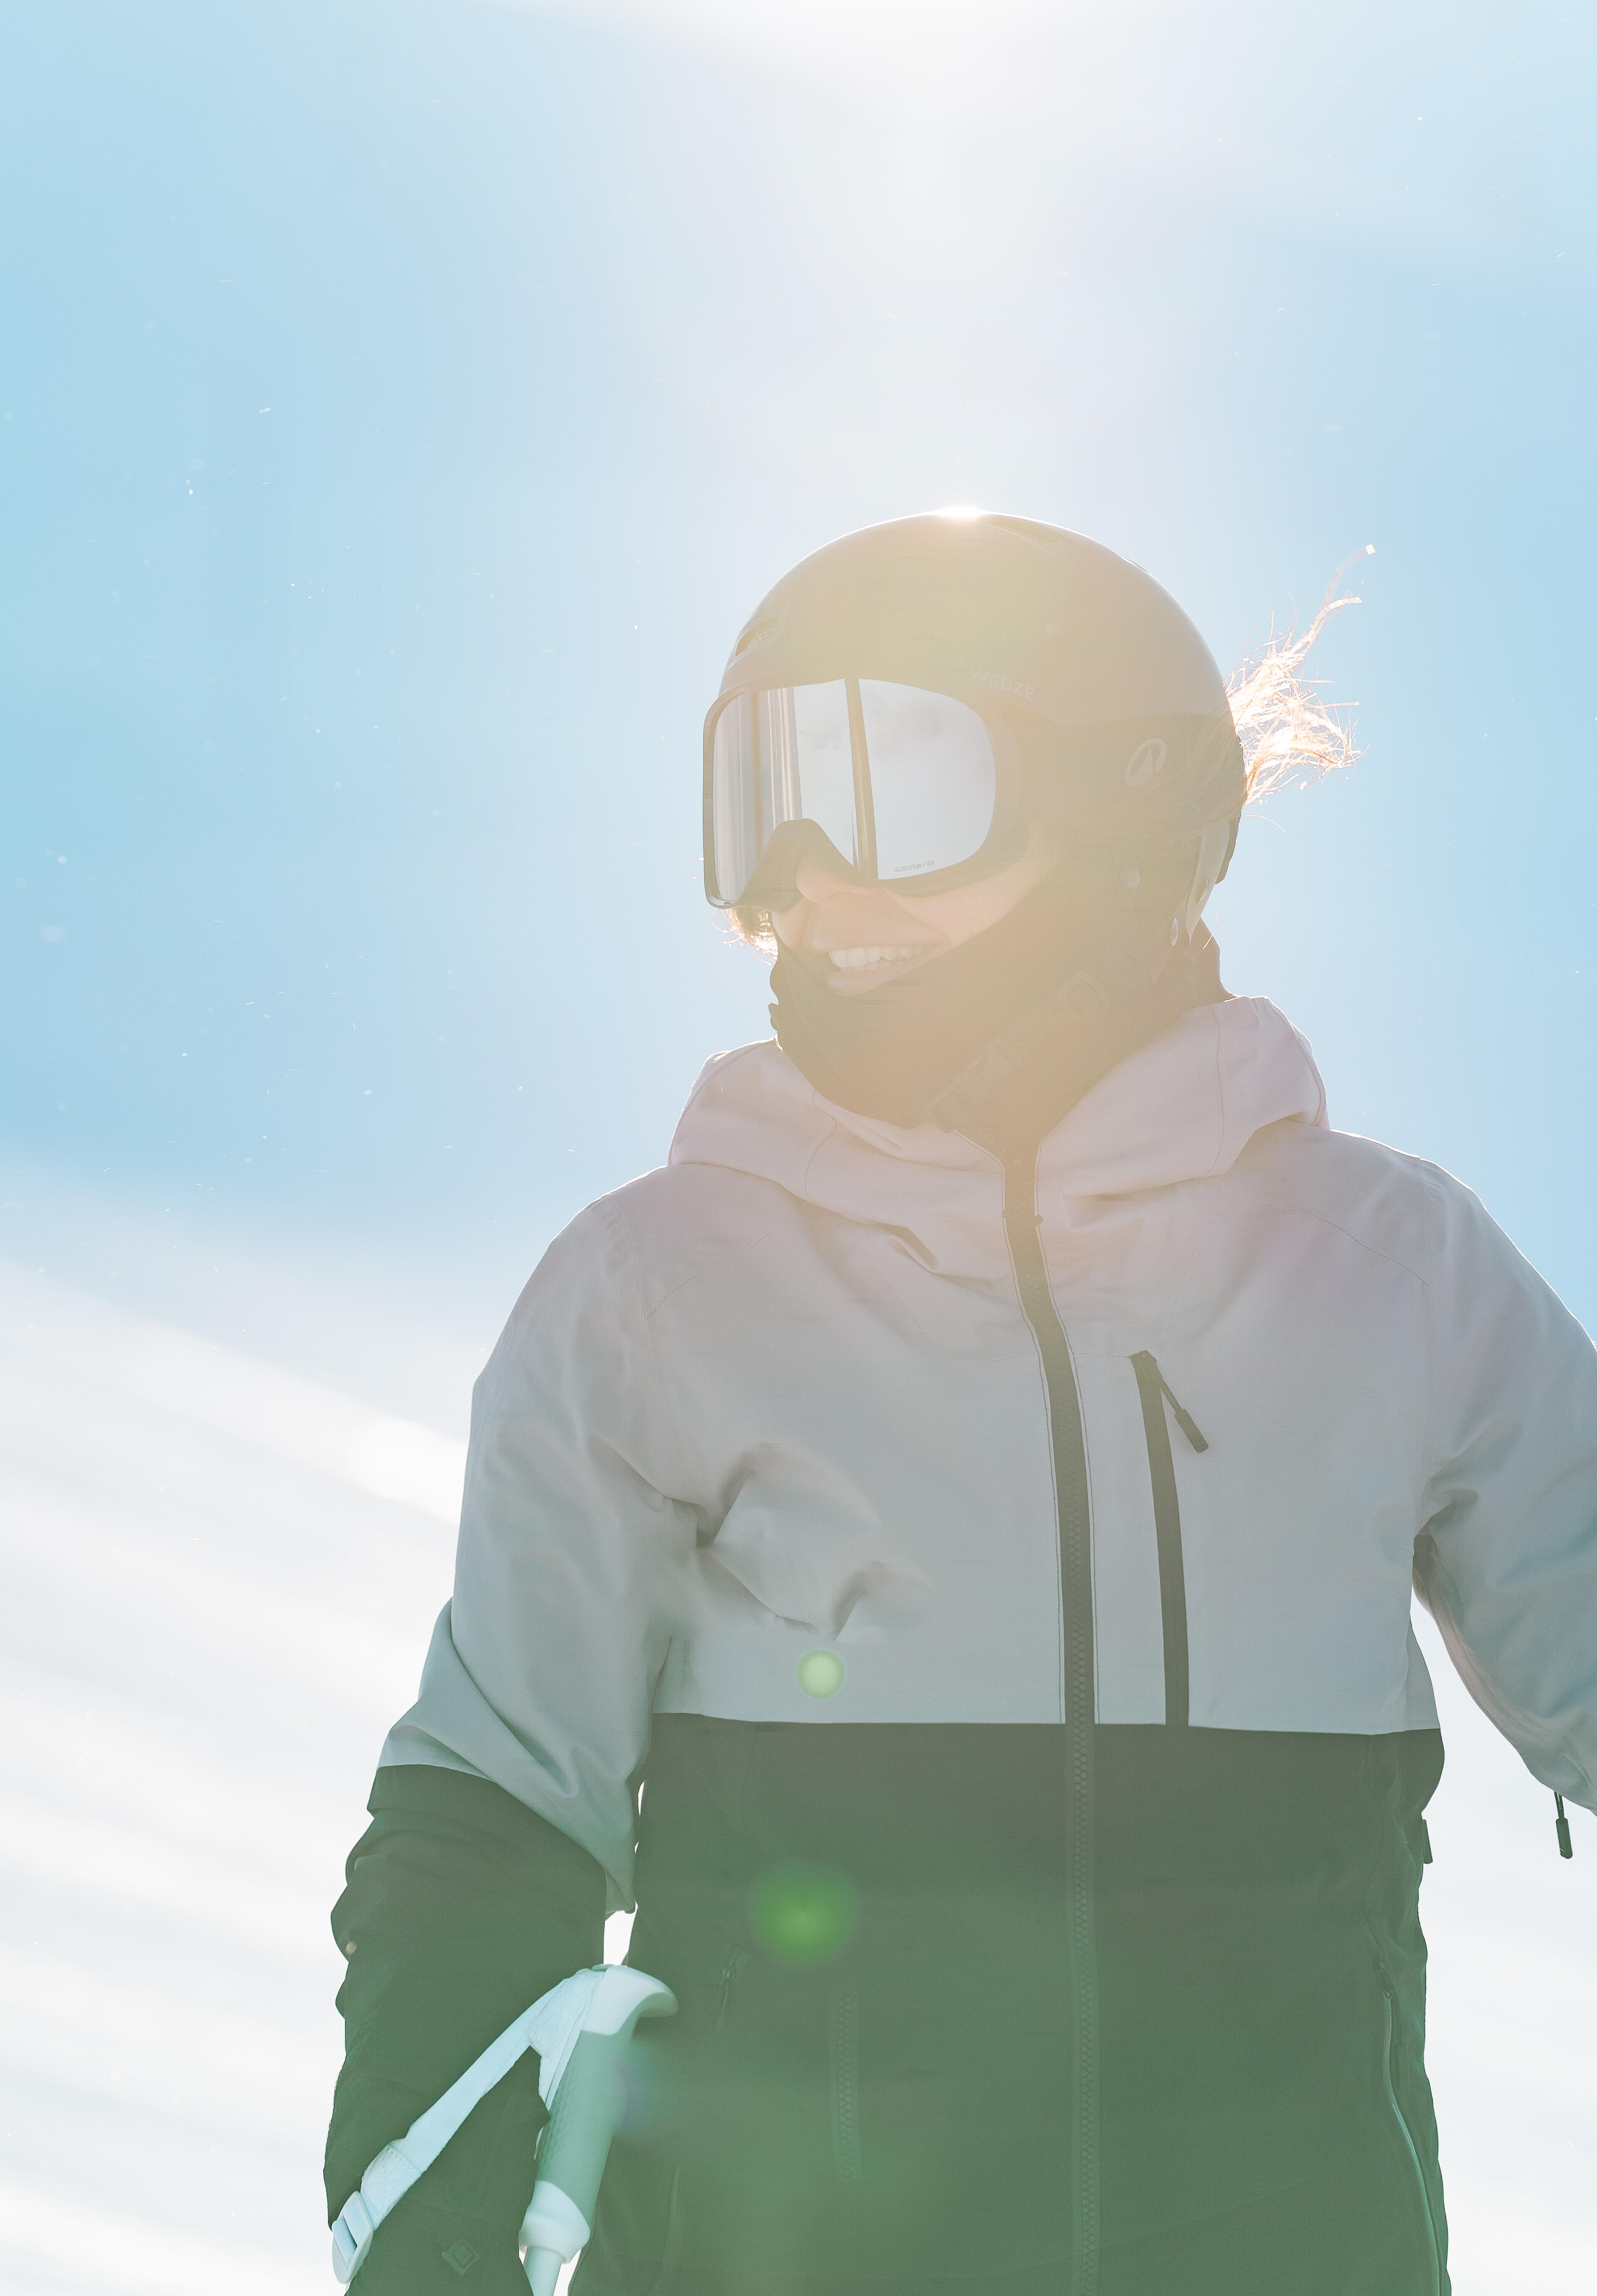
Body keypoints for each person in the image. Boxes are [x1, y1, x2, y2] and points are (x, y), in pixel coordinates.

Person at [325, 513, 1596, 2296]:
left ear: (1115, 807)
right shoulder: (658, 1289)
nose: (808, 875)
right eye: (759, 794)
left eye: (886, 781)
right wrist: (431, 2196)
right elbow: (496, 1797)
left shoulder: (1394, 1274)